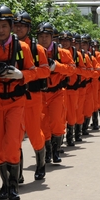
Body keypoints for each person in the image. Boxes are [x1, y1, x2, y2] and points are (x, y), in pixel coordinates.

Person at [0, 5, 37, 200]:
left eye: (4, 26)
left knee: (13, 143)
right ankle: (5, 184)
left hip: (16, 101)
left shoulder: (22, 48)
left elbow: (35, 71)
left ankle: (14, 186)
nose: (0, 30)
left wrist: (21, 74)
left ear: (11, 26)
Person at [13, 11, 51, 181]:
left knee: (34, 133)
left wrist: (26, 74)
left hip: (32, 97)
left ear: (28, 28)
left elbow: (45, 71)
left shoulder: (37, 49)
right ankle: (17, 172)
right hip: (13, 97)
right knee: (15, 135)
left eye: (22, 26)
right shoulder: (8, 47)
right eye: (16, 25)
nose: (18, 29)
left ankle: (40, 162)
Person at [38, 22, 75, 162]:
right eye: (41, 36)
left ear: (52, 37)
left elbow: (71, 69)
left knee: (57, 122)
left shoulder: (62, 53)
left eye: (46, 36)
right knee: (43, 123)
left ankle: (56, 150)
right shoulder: (34, 51)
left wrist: (56, 66)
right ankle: (47, 151)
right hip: (40, 93)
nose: (44, 39)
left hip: (57, 92)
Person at [58, 31, 83, 146]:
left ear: (71, 42)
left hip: (73, 89)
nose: (64, 43)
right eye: (62, 40)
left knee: (72, 113)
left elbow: (84, 70)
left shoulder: (77, 55)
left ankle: (70, 136)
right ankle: (59, 139)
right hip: (60, 89)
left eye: (67, 40)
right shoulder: (57, 53)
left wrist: (72, 70)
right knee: (60, 114)